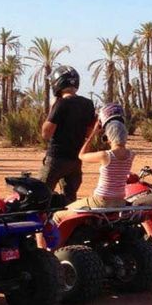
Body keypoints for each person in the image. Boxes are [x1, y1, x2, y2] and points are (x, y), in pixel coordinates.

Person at [52, 118, 134, 223]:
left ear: (109, 137)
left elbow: (81, 155)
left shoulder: (105, 155)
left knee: (59, 214)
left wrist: (94, 133)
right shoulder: (131, 155)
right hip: (120, 201)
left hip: (101, 201)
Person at [40, 66, 96, 203]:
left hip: (57, 158)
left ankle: (43, 222)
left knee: (41, 194)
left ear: (57, 83)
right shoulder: (88, 104)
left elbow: (46, 133)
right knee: (70, 198)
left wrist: (52, 109)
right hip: (75, 160)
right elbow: (90, 132)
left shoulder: (61, 103)